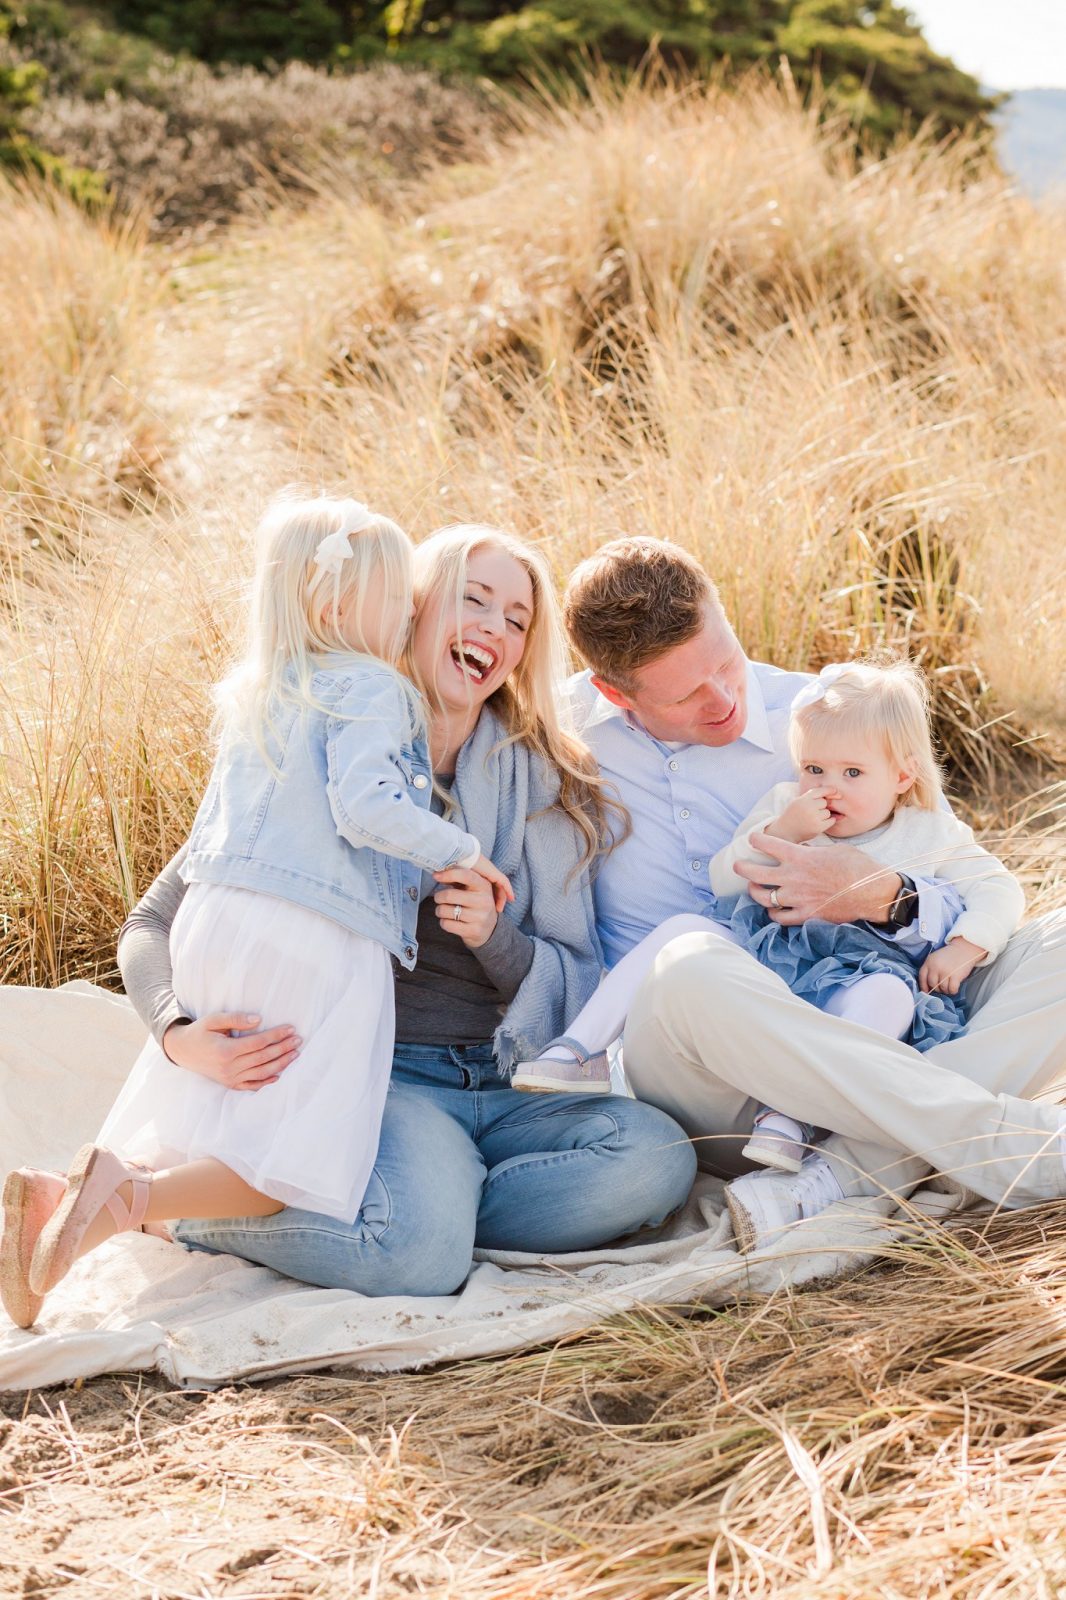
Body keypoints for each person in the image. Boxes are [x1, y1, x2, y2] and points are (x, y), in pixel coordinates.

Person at [2, 524, 695, 1326]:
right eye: (473, 600)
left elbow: (580, 979)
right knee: (417, 1254)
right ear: (414, 609)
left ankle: (409, 1207)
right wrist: (174, 1030)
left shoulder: (542, 777)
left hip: (509, 1078)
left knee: (656, 1160)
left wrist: (493, 939)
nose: (494, 631)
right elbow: (154, 920)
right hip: (388, 1083)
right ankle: (162, 1207)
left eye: (516, 618)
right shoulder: (309, 744)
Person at [561, 537, 1066, 1252]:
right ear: (617, 693)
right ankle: (997, 1144)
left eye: (727, 664)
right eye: (687, 695)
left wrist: (880, 896)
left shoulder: (830, 717)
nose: (725, 698)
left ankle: (838, 1177)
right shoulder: (558, 743)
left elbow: (946, 860)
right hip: (704, 1064)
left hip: (874, 1022)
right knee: (690, 956)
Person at [512, 657, 1025, 1178]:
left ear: (901, 774)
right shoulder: (787, 804)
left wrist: (965, 946)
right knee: (683, 932)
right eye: (814, 769)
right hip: (766, 969)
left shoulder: (928, 832)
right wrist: (783, 832)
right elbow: (722, 879)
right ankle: (579, 1049)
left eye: (853, 773)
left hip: (853, 980)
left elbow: (999, 888)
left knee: (889, 1000)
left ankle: (793, 1116)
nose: (828, 786)